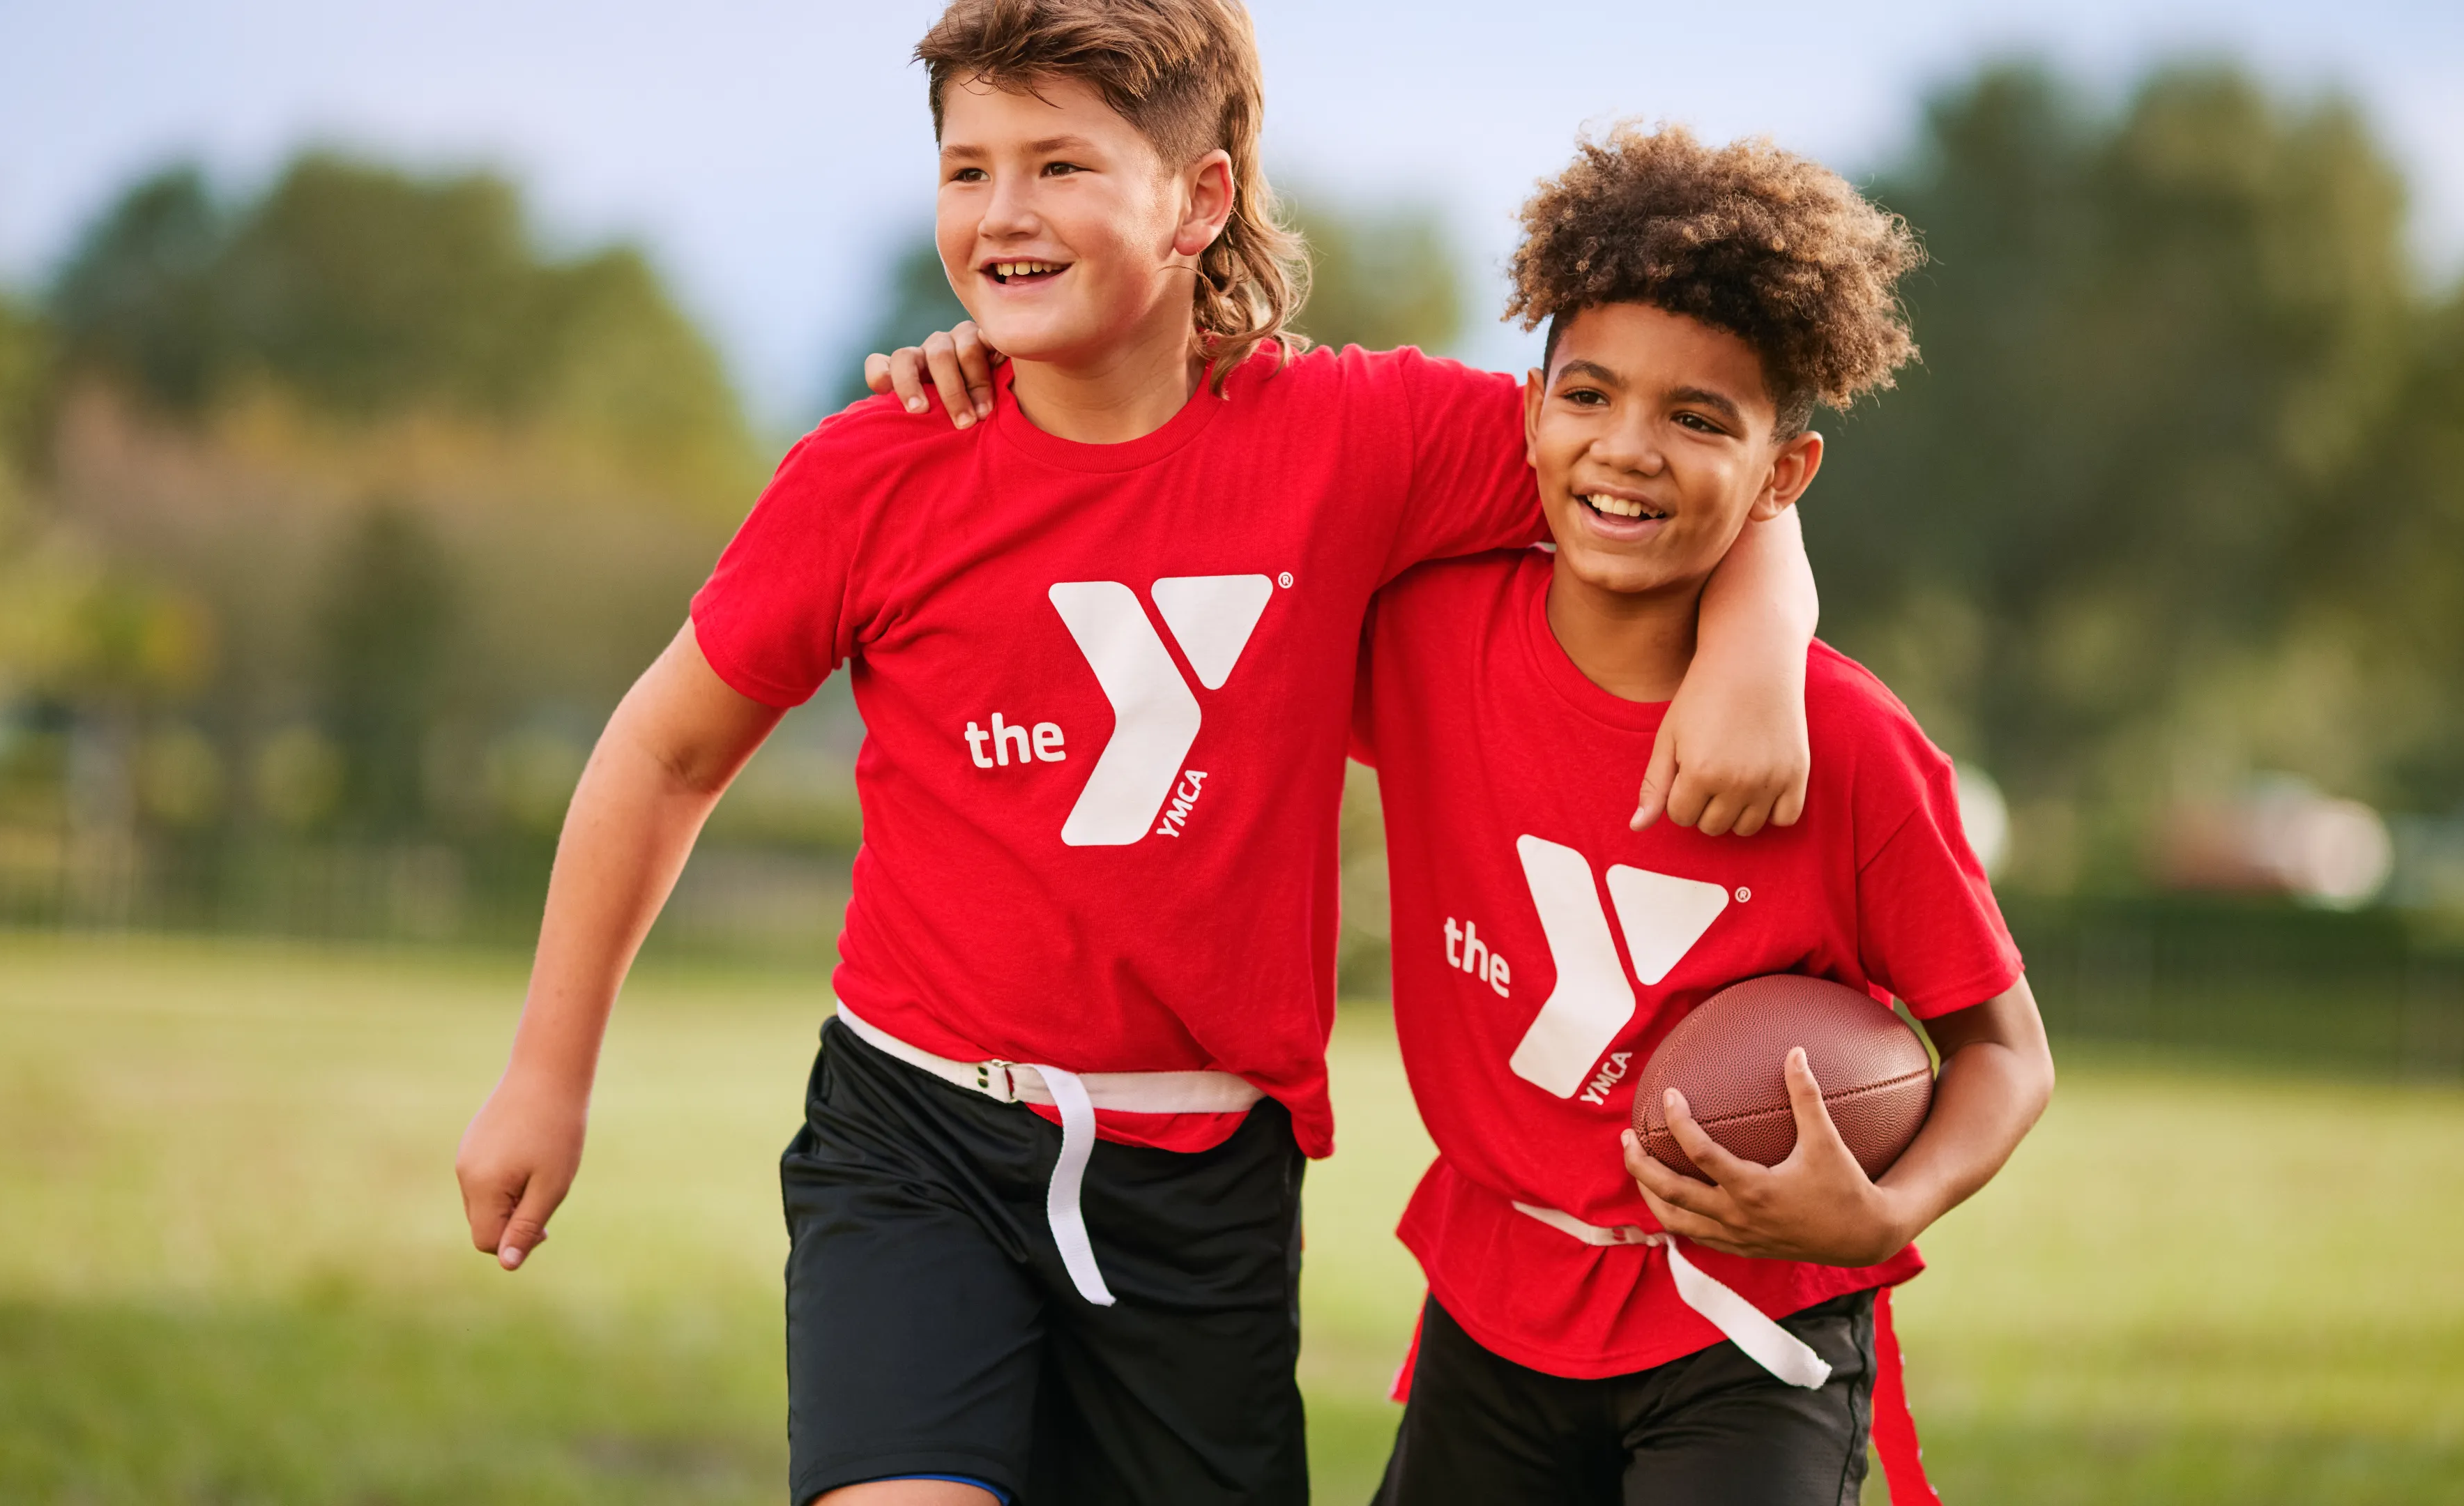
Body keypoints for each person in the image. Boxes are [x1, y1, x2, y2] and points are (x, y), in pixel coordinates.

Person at [454, 4, 1820, 1505]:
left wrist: (1760, 639)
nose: (1004, 214)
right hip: (917, 1131)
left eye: (1060, 166)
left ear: (1200, 198)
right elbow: (662, 755)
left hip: (1205, 1184)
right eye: (968, 170)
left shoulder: (1352, 438)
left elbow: (1653, 455)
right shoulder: (877, 470)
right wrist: (546, 1071)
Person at [1348, 126, 2055, 1506]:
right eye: (1589, 395)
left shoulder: (1847, 742)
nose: (1627, 450)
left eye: (1698, 419)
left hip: (1751, 1332)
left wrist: (1889, 1211)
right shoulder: (1425, 638)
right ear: (1532, 407)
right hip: (1494, 1308)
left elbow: (2008, 1054)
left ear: (1783, 477)